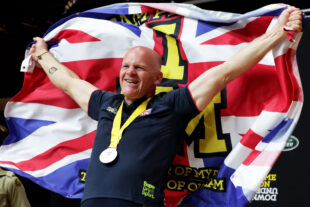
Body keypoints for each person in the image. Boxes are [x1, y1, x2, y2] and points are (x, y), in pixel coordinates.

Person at [28, 7, 302, 207]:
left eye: (139, 68)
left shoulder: (172, 105)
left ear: (158, 78)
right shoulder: (105, 103)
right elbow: (67, 82)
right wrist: (41, 53)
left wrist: (275, 34)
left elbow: (226, 72)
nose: (129, 72)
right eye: (126, 66)